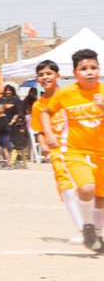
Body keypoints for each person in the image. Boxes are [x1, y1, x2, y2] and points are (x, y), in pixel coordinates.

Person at [41, 49, 104, 252]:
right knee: (86, 188)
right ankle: (87, 226)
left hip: (101, 152)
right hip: (75, 150)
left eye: (93, 68)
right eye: (84, 69)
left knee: (102, 197)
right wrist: (49, 134)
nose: (89, 72)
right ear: (75, 73)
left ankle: (98, 235)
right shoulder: (67, 93)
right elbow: (46, 112)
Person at [32, 60, 81, 243]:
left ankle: (94, 226)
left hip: (78, 147)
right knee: (66, 187)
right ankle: (83, 229)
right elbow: (39, 130)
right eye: (41, 74)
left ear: (57, 76)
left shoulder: (69, 95)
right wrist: (43, 143)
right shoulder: (38, 105)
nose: (45, 77)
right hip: (57, 150)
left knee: (87, 187)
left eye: (49, 73)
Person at [0, 85, 25, 169]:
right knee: (2, 143)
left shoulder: (16, 100)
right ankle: (5, 161)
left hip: (13, 125)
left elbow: (19, 112)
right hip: (2, 124)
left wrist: (12, 121)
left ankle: (14, 161)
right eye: (7, 90)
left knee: (12, 143)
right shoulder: (2, 99)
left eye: (10, 90)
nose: (8, 92)